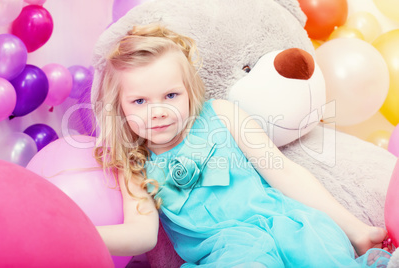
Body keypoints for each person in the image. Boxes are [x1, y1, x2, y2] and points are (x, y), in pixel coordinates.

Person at [92, 23, 392, 267]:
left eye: (171, 96)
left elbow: (286, 173)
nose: (158, 111)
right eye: (140, 101)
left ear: (189, 90)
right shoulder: (135, 163)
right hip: (230, 252)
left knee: (325, 257)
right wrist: (75, 233)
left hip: (291, 229)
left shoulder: (221, 115)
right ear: (120, 107)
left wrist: (356, 229)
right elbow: (142, 235)